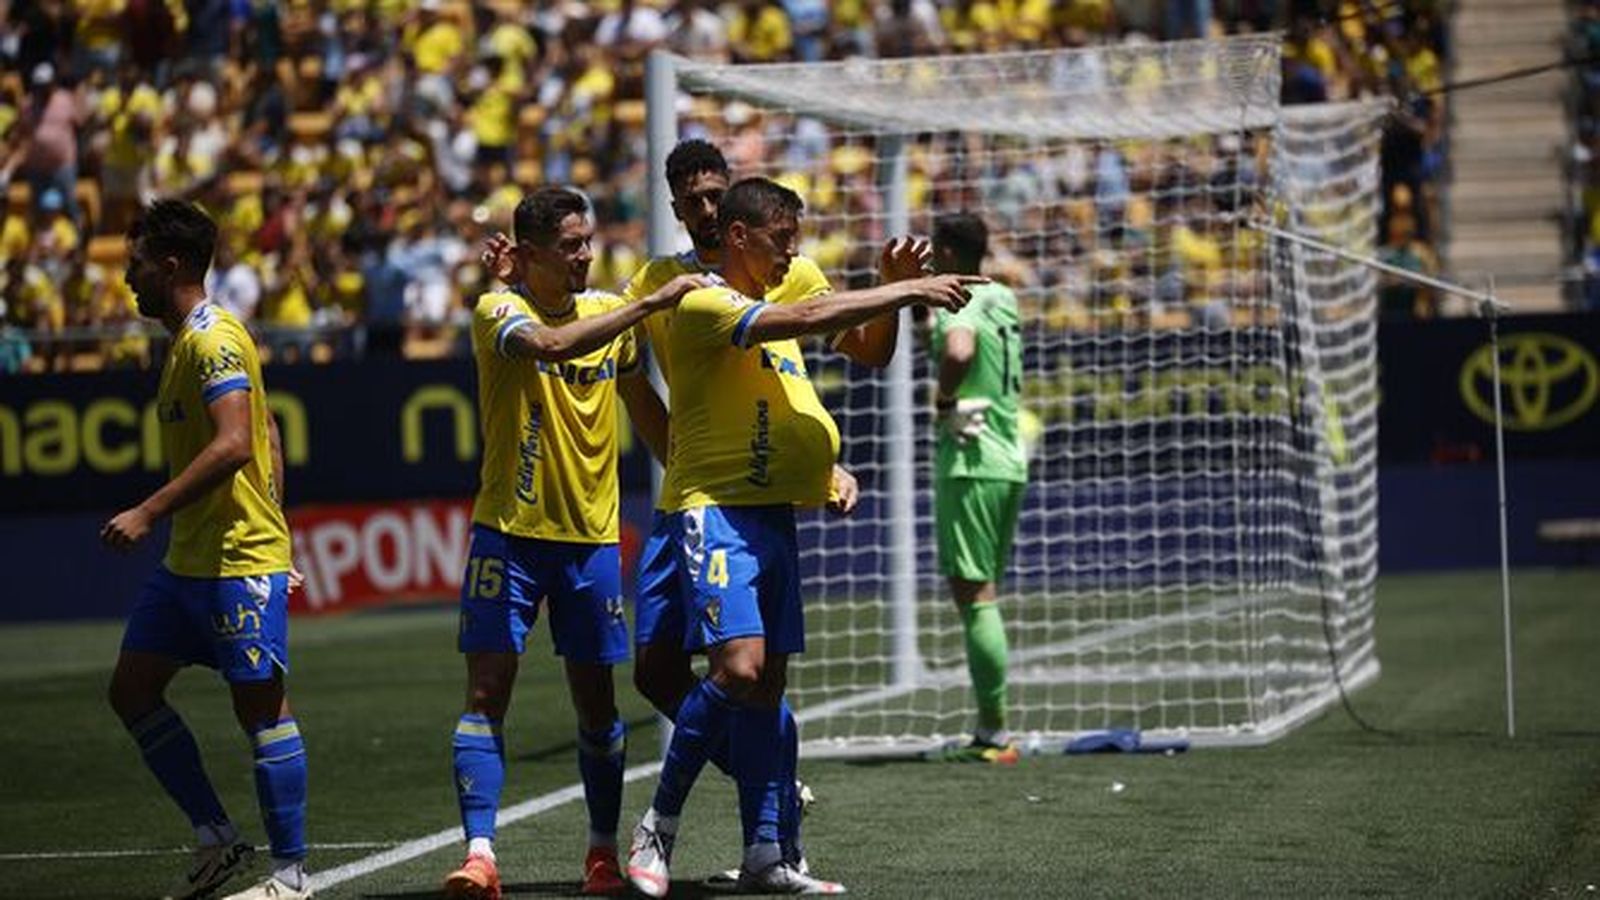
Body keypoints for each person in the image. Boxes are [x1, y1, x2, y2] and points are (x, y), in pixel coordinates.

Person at [624, 177, 979, 897]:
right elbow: (811, 316)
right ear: (738, 237)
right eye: (781, 238)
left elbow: (860, 350)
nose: (793, 249)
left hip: (776, 509)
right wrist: (907, 293)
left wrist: (890, 290)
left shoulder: (781, 286)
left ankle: (767, 853)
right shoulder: (702, 299)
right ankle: (657, 826)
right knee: (739, 670)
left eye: (796, 236)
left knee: (768, 687)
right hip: (713, 508)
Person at [443, 187, 708, 900]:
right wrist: (650, 304)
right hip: (508, 535)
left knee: (596, 704)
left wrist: (692, 484)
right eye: (569, 245)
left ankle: (599, 854)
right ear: (528, 257)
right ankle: (479, 855)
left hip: (591, 543)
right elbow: (552, 345)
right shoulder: (500, 311)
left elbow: (643, 409)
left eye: (587, 240)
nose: (585, 253)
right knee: (486, 692)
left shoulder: (607, 318)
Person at [102, 199, 312, 900]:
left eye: (135, 265)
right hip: (191, 562)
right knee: (131, 689)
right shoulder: (184, 341)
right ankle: (217, 838)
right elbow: (270, 432)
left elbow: (234, 443)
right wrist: (279, 523)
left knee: (262, 711)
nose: (127, 279)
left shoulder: (211, 339)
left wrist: (148, 509)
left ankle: (291, 875)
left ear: (170, 265)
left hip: (234, 561)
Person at [923, 212, 1028, 763]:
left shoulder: (961, 297)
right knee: (984, 591)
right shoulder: (1004, 296)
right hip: (1009, 455)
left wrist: (942, 402)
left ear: (943, 252)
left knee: (975, 593)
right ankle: (993, 729)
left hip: (971, 455)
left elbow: (960, 351)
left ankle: (993, 733)